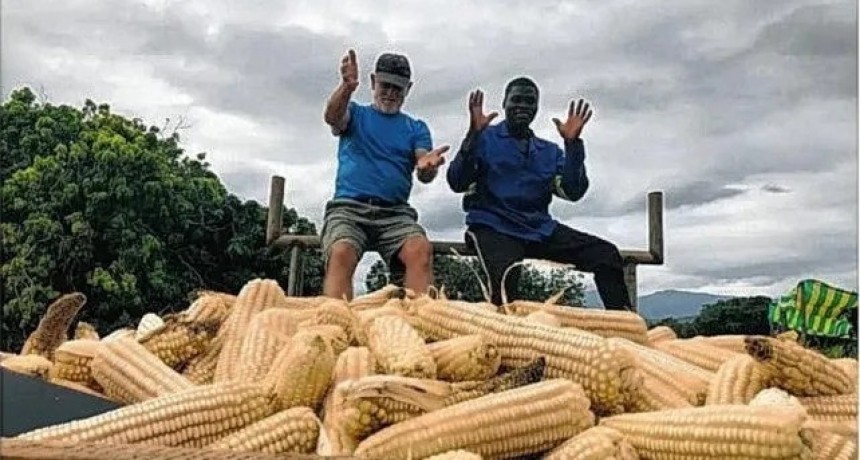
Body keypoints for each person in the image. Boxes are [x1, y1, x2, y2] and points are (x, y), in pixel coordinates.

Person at [445, 77, 631, 310]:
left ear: (537, 108)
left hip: (539, 229)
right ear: (504, 104)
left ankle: (626, 328)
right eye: (517, 100)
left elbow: (573, 192)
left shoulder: (548, 151)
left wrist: (573, 145)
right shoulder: (484, 138)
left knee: (606, 255)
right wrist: (472, 135)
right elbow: (456, 181)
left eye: (530, 102)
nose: (523, 106)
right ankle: (502, 339)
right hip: (493, 226)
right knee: (505, 282)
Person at [321, 49, 449, 300]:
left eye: (398, 88)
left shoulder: (416, 127)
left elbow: (423, 165)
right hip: (349, 209)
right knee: (341, 252)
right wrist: (346, 87)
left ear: (408, 89)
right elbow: (332, 117)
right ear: (372, 83)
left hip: (395, 214)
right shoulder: (356, 114)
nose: (390, 93)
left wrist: (426, 167)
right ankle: (335, 323)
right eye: (385, 86)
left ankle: (418, 323)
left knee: (419, 250)